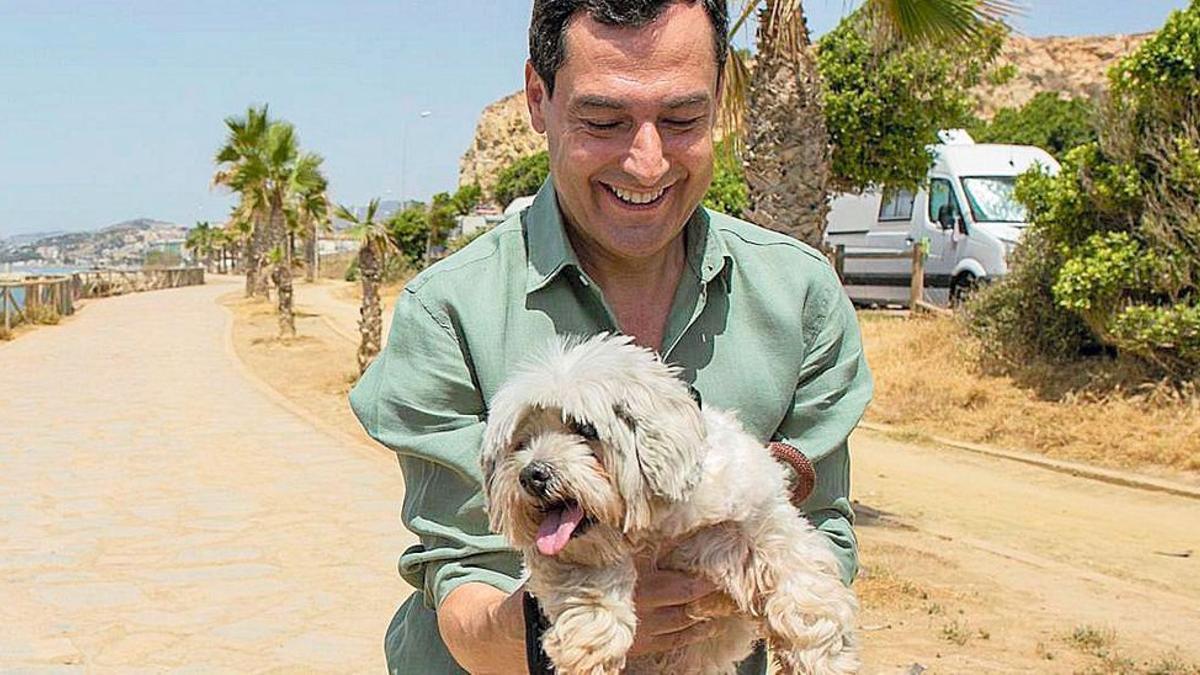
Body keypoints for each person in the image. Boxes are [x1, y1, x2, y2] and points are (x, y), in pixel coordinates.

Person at [348, 1, 873, 672]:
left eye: (682, 119)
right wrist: (568, 609)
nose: (647, 163)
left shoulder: (799, 296)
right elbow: (463, 597)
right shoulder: (448, 310)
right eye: (603, 121)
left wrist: (743, 559)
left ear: (721, 97)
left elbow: (821, 536)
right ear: (539, 99)